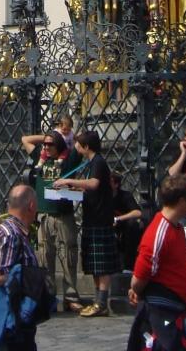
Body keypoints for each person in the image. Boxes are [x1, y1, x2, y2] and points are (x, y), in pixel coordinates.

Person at [127, 175, 186, 351]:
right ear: (181, 201)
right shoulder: (160, 231)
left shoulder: (177, 228)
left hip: (176, 308)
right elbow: (141, 274)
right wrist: (136, 289)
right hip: (161, 310)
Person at [53, 128, 116, 317]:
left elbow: (94, 184)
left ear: (86, 146)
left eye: (78, 145)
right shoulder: (90, 163)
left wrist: (70, 182)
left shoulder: (98, 162)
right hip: (92, 217)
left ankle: (102, 303)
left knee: (102, 265)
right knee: (95, 265)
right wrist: (70, 189)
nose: (76, 147)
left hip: (100, 218)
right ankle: (98, 302)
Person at [22, 128, 83, 312]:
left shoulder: (68, 159)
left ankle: (70, 296)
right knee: (44, 258)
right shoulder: (41, 158)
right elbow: (25, 139)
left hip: (63, 214)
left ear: (59, 145)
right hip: (44, 215)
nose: (47, 147)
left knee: (68, 256)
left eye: (51, 145)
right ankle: (49, 297)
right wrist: (47, 137)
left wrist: (63, 136)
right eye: (45, 145)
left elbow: (81, 142)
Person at [0, 184, 40, 351]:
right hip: (9, 319)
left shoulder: (17, 232)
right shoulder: (10, 234)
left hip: (17, 318)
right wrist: (30, 278)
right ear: (31, 206)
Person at [110, 169, 144, 273]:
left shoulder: (125, 196)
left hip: (125, 227)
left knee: (132, 225)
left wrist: (118, 219)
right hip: (109, 227)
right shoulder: (103, 197)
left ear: (116, 184)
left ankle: (128, 266)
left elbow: (137, 212)